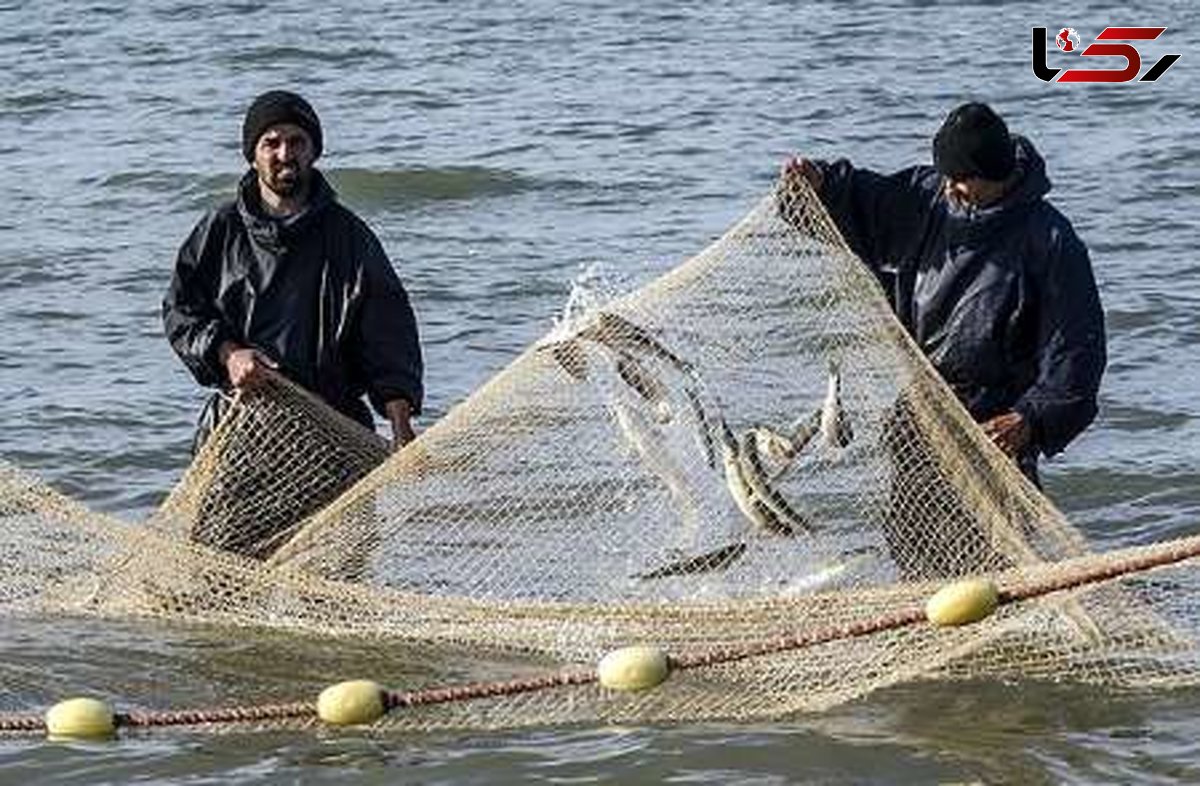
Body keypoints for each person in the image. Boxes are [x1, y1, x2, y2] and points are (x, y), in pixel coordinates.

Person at [779, 102, 1106, 578]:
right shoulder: (927, 198)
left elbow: (1076, 351)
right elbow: (858, 202)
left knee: (996, 554)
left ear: (998, 174)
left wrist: (1032, 419)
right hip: (923, 407)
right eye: (945, 174)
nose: (951, 187)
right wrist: (818, 183)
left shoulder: (1050, 240)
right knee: (913, 541)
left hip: (996, 423)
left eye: (962, 178)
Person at [163, 90, 424, 455]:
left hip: (335, 433)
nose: (285, 154)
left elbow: (388, 333)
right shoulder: (220, 230)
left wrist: (400, 423)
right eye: (271, 143)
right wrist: (230, 354)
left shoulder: (349, 236)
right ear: (253, 156)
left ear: (313, 151)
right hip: (240, 429)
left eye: (297, 142)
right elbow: (182, 312)